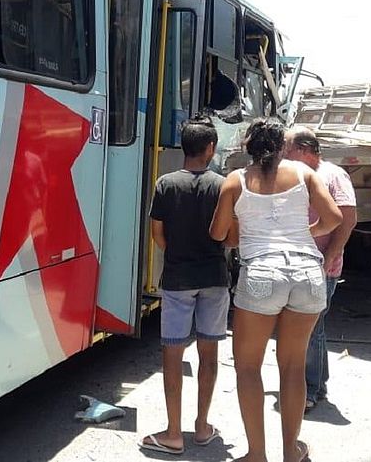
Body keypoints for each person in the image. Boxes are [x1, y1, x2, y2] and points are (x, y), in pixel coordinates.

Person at [210, 118, 342, 462]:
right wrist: (303, 234)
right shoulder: (304, 173)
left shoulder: (235, 181)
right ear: (282, 146)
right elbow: (333, 219)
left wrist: (244, 232)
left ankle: (256, 455)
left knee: (249, 368)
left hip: (262, 274)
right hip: (307, 274)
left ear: (247, 146)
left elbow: (219, 233)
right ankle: (291, 451)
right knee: (294, 367)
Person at [139, 117, 234, 455]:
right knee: (209, 353)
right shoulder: (223, 185)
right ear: (210, 148)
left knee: (172, 354)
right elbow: (229, 236)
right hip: (214, 278)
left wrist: (179, 254)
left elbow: (157, 234)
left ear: (185, 147)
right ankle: (203, 426)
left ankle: (173, 433)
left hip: (178, 278)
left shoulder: (166, 184)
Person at [284, 126, 358, 412]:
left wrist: (332, 253)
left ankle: (310, 389)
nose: (283, 154)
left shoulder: (332, 175)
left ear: (303, 150)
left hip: (320, 265)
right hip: (301, 263)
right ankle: (317, 383)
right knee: (315, 326)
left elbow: (348, 218)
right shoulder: (296, 174)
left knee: (309, 327)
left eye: (287, 148)